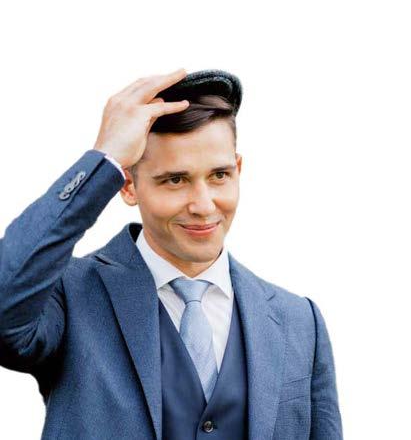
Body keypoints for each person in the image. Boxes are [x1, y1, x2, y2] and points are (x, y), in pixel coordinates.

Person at [0, 67, 343, 439]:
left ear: (238, 169)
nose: (203, 205)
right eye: (175, 180)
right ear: (127, 186)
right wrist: (104, 160)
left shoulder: (299, 321)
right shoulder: (69, 295)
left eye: (219, 175)